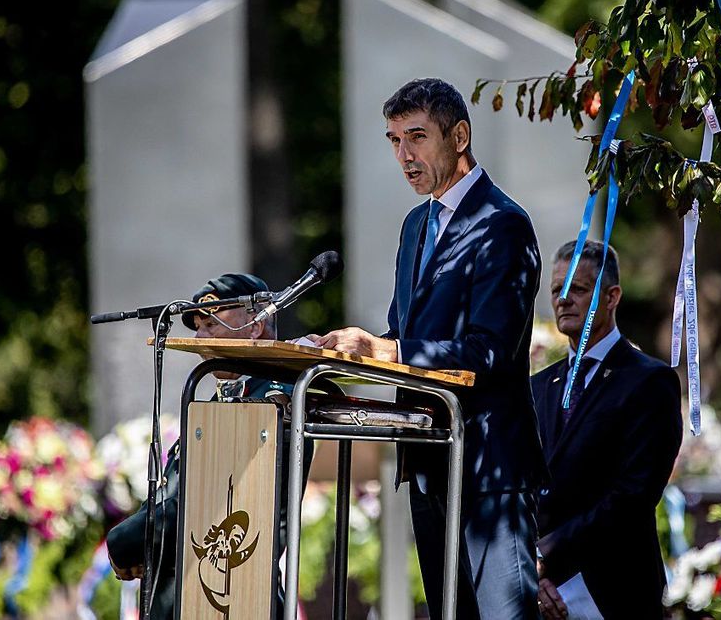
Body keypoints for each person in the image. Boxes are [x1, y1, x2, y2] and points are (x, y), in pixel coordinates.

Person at [310, 78, 545, 619]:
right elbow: (405, 331)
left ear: (459, 135)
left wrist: (386, 351)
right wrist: (349, 356)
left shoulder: (503, 226)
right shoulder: (416, 224)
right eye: (393, 140)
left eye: (416, 136)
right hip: (428, 459)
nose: (404, 155)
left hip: (490, 470)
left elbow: (489, 352)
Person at [106, 273, 308, 620]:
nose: (199, 338)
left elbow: (216, 507)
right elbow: (174, 488)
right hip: (185, 594)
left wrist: (130, 538)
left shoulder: (277, 401)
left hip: (233, 594)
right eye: (197, 326)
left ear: (256, 326)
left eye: (211, 324)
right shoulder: (220, 398)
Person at [530, 241, 682, 620]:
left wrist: (546, 554)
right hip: (542, 592)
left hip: (615, 589)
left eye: (577, 289)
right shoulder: (538, 386)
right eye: (556, 291)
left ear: (612, 296)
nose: (563, 301)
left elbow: (633, 494)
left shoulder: (649, 381)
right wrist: (529, 570)